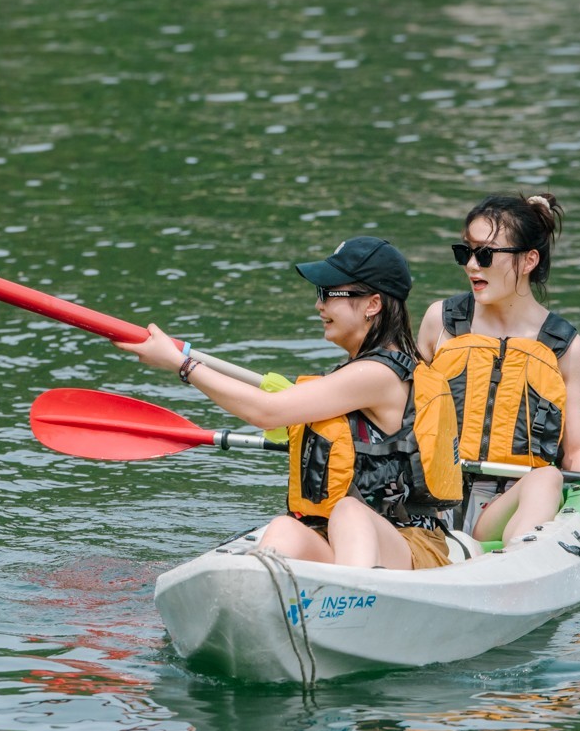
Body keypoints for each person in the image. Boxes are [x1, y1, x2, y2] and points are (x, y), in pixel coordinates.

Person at [118, 236, 460, 570]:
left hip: (410, 547)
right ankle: (263, 602)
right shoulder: (361, 371)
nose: (319, 305)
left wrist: (182, 364)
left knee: (350, 510)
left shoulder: (379, 374)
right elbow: (274, 410)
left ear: (372, 304)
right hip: (344, 542)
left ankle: (353, 605)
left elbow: (265, 411)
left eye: (328, 294)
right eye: (318, 294)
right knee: (284, 529)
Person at [417, 193, 580, 544]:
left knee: (548, 478)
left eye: (485, 254)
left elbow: (575, 452)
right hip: (435, 500)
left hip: (505, 504)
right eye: (465, 252)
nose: (471, 266)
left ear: (529, 260)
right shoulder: (442, 321)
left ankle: (514, 567)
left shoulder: (563, 346)